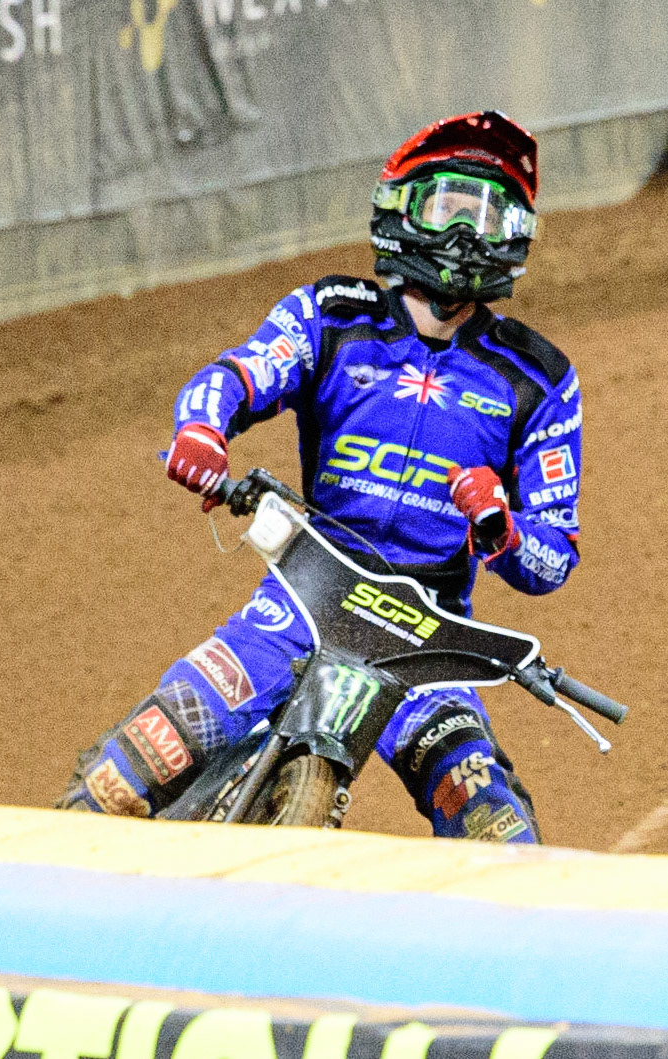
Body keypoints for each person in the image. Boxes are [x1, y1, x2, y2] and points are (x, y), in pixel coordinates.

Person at [57, 110, 582, 843]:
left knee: (498, 828)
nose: (469, 233)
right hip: (296, 606)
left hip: (427, 644)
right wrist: (201, 429)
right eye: (448, 207)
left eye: (490, 214)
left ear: (517, 232)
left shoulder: (540, 377)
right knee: (121, 775)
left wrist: (500, 527)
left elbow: (551, 556)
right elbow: (236, 374)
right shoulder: (331, 315)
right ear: (402, 209)